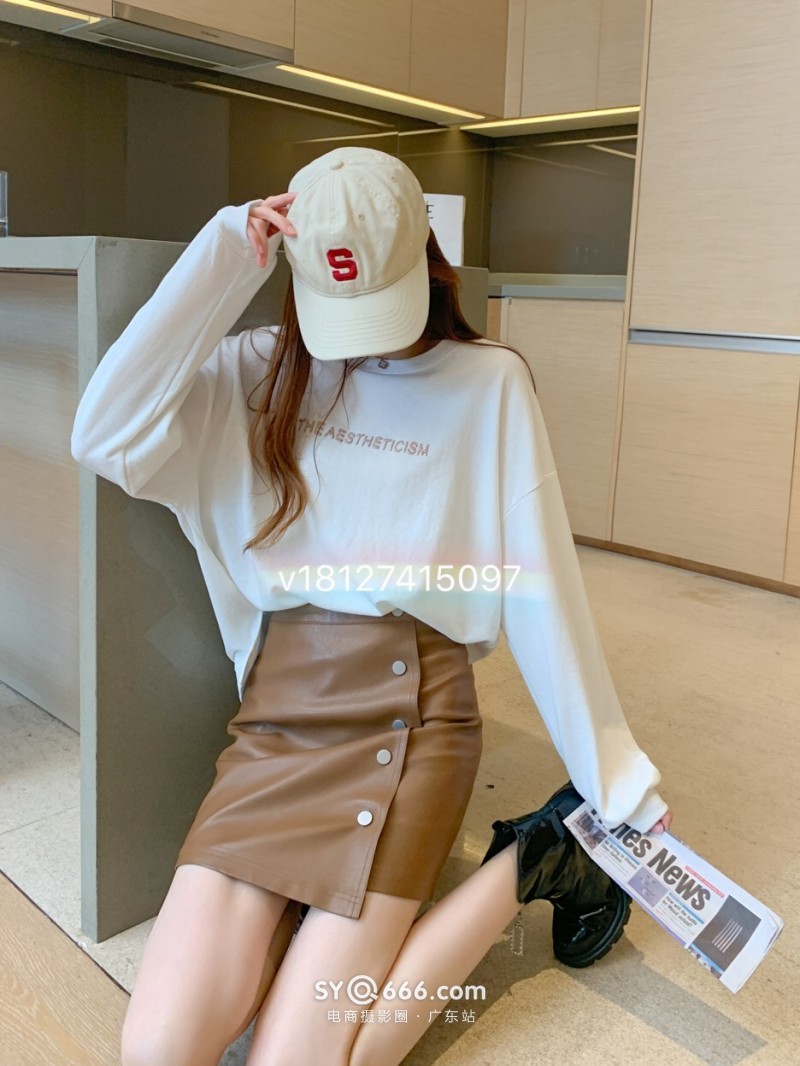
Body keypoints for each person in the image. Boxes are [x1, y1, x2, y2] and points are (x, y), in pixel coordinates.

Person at [70, 146, 672, 1066]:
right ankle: (307, 922)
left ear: (425, 256)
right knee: (155, 1051)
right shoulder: (255, 370)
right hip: (279, 721)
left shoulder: (488, 383)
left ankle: (539, 855)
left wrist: (614, 779)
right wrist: (226, 254)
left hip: (415, 717)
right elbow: (103, 433)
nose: (362, 341)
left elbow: (540, 583)